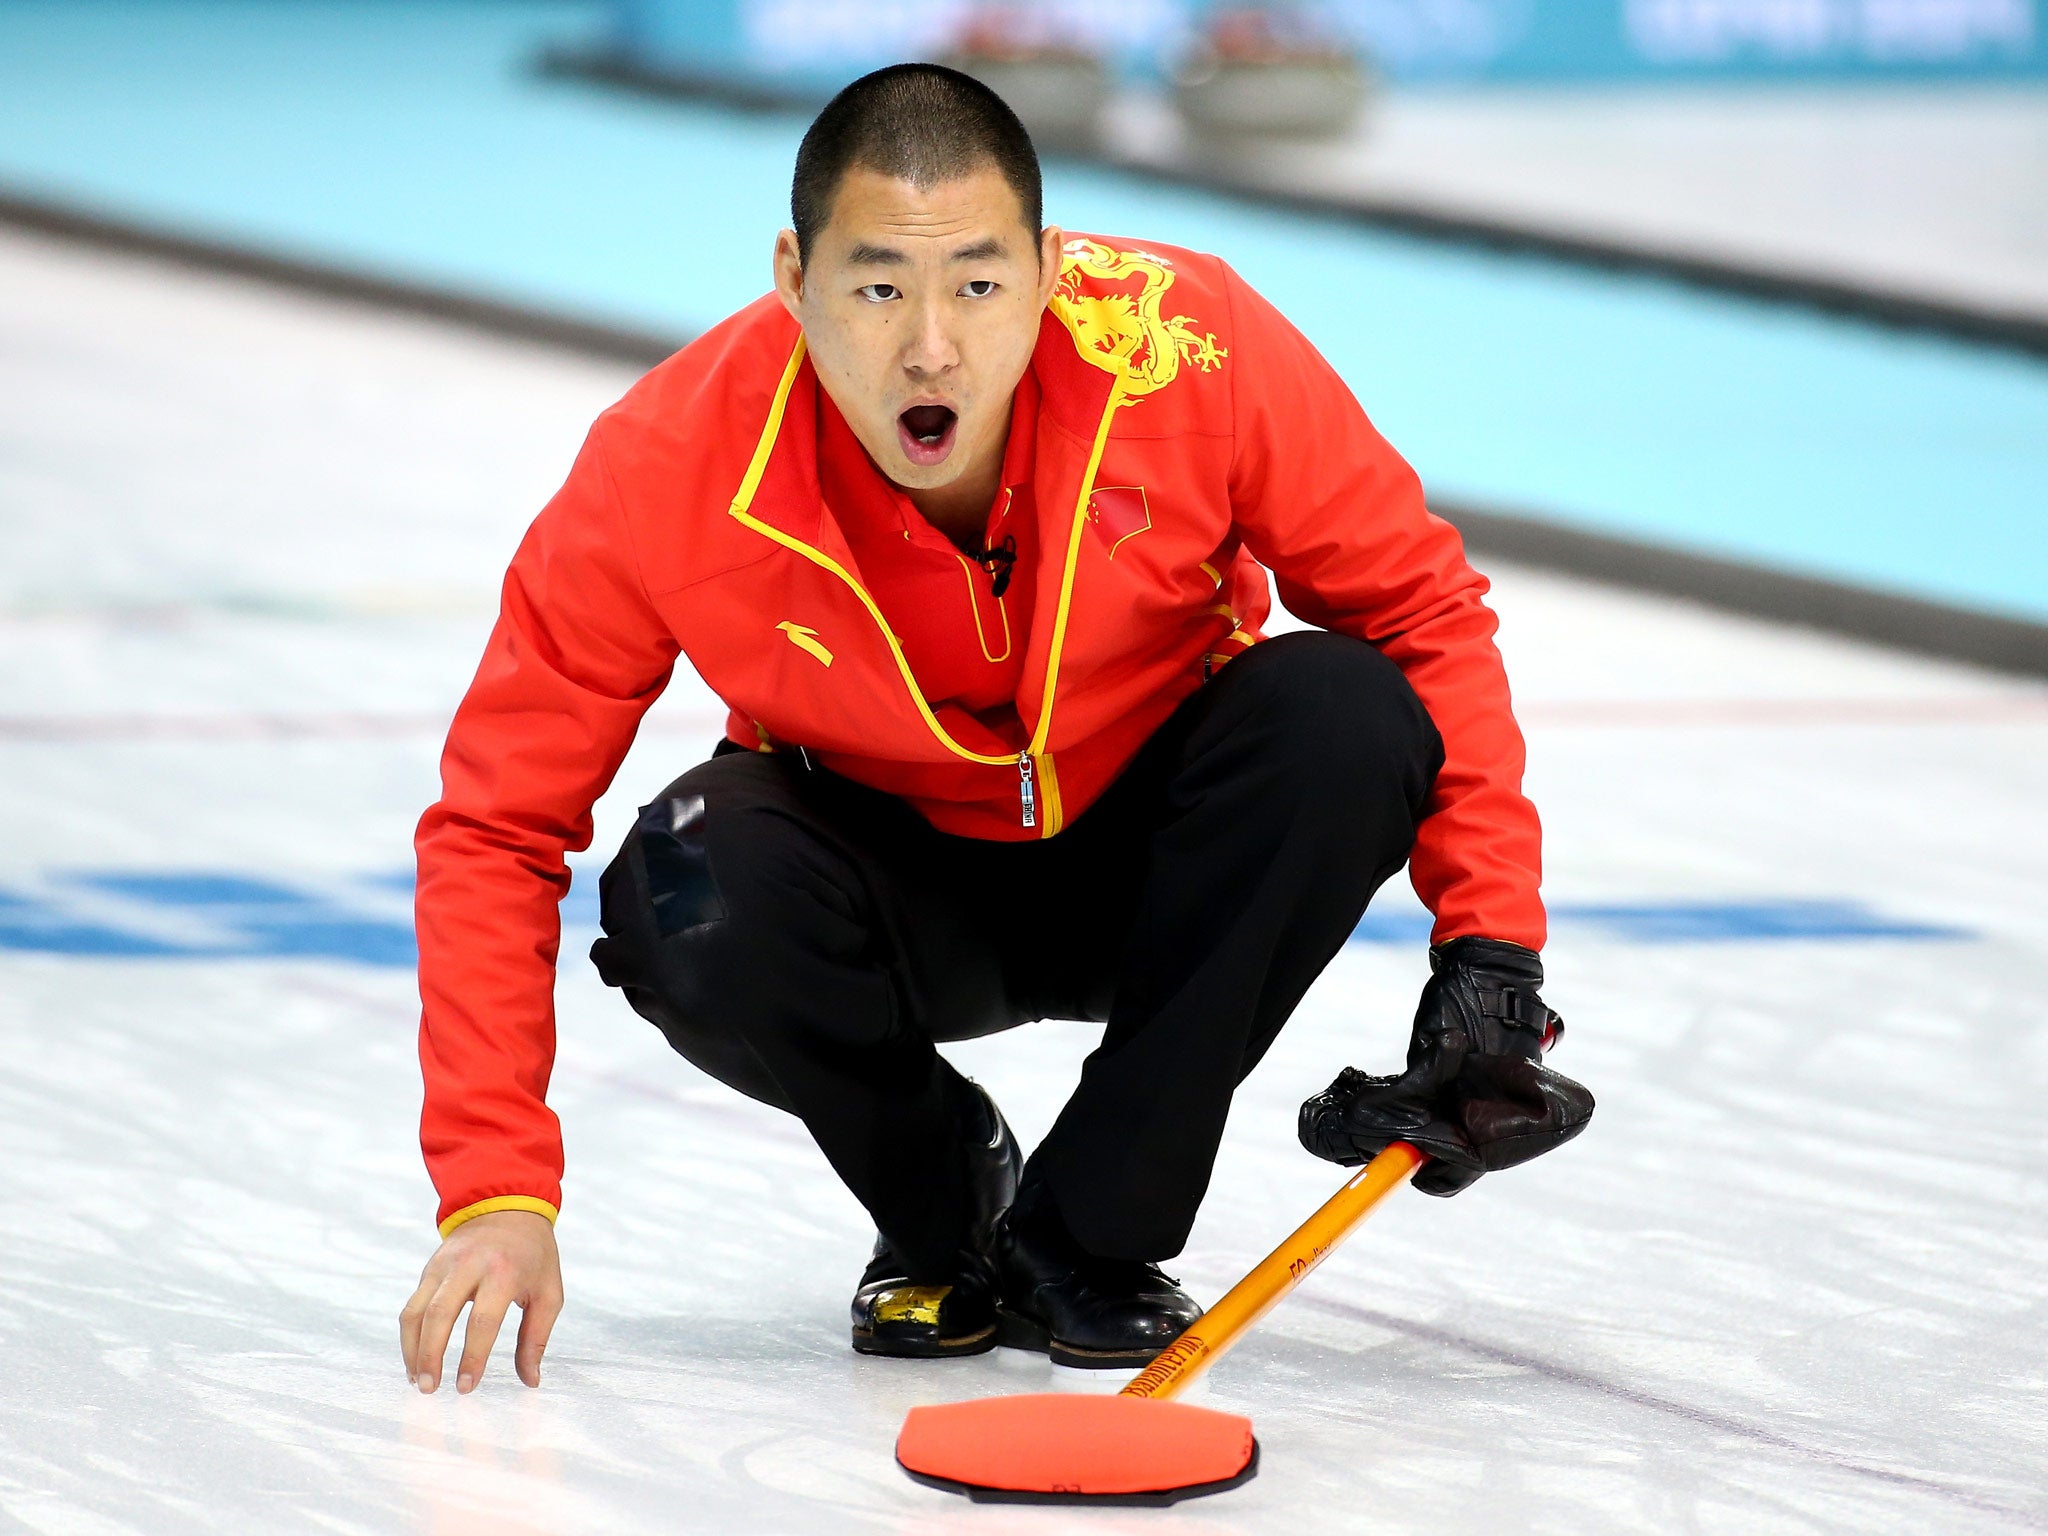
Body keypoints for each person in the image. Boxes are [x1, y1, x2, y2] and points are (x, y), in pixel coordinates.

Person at [397, 63, 1593, 1396]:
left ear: (1048, 271)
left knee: (1344, 713)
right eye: (875, 287)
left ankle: (1092, 1235)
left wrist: (1493, 952)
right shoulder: (664, 466)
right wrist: (496, 1186)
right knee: (686, 882)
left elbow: (1422, 610)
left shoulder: (1186, 345)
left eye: (975, 284)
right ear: (791, 277)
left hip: (1156, 864)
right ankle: (944, 1206)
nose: (929, 347)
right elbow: (497, 824)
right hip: (890, 887)